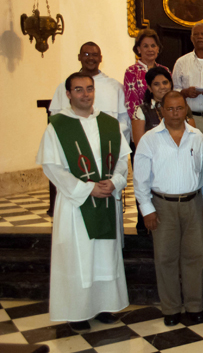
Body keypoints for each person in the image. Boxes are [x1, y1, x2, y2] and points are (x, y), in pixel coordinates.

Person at [37, 72, 130, 332]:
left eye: (89, 89)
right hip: (75, 203)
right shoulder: (57, 126)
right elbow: (52, 166)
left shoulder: (109, 123)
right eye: (78, 89)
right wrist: (85, 189)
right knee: (77, 257)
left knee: (104, 255)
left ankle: (104, 305)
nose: (85, 94)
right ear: (68, 94)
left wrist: (115, 182)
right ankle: (76, 311)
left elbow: (123, 159)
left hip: (106, 198)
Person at [134, 91, 203, 326]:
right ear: (161, 111)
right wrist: (147, 209)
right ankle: (171, 308)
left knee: (194, 257)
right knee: (165, 258)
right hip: (162, 206)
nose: (175, 113)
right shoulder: (150, 139)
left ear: (186, 109)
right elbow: (140, 178)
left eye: (180, 108)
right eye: (170, 109)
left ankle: (194, 305)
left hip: (193, 203)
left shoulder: (198, 137)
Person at [50, 42, 130, 143]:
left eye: (95, 55)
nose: (90, 58)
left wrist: (109, 134)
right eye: (86, 54)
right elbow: (57, 119)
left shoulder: (115, 87)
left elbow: (124, 120)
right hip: (74, 141)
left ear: (101, 58)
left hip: (106, 141)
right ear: (79, 57)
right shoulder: (64, 86)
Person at [132, 67, 196, 145]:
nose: (162, 87)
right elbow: (140, 145)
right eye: (156, 84)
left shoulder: (183, 106)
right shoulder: (142, 110)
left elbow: (193, 137)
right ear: (150, 88)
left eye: (165, 82)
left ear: (171, 84)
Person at [124, 29, 170, 120]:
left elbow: (170, 97)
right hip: (143, 122)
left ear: (158, 48)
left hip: (166, 120)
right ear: (138, 49)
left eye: (153, 46)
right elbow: (132, 105)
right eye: (145, 46)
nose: (150, 49)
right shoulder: (132, 71)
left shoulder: (165, 70)